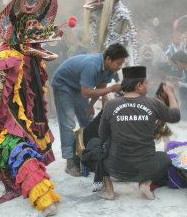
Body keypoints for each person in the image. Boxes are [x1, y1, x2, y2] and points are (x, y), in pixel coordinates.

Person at [0, 0, 63, 216]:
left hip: (29, 125)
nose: (38, 37)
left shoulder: (34, 58)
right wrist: (0, 128)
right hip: (8, 128)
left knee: (24, 155)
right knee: (22, 155)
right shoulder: (5, 56)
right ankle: (44, 200)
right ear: (19, 33)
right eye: (32, 33)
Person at [95, 66, 180, 200]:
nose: (147, 86)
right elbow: (175, 116)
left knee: (95, 146)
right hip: (146, 169)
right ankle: (145, 182)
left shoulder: (110, 105)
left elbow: (102, 136)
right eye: (145, 83)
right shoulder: (153, 103)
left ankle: (109, 189)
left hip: (116, 169)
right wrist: (170, 93)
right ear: (139, 85)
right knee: (165, 157)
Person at [51, 43, 129, 176]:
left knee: (87, 119)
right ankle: (70, 162)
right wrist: (111, 89)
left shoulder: (110, 68)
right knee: (68, 123)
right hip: (63, 84)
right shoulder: (92, 66)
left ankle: (87, 155)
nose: (120, 67)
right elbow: (87, 92)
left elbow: (101, 86)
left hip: (79, 87)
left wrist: (90, 106)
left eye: (122, 64)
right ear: (108, 59)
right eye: (118, 63)